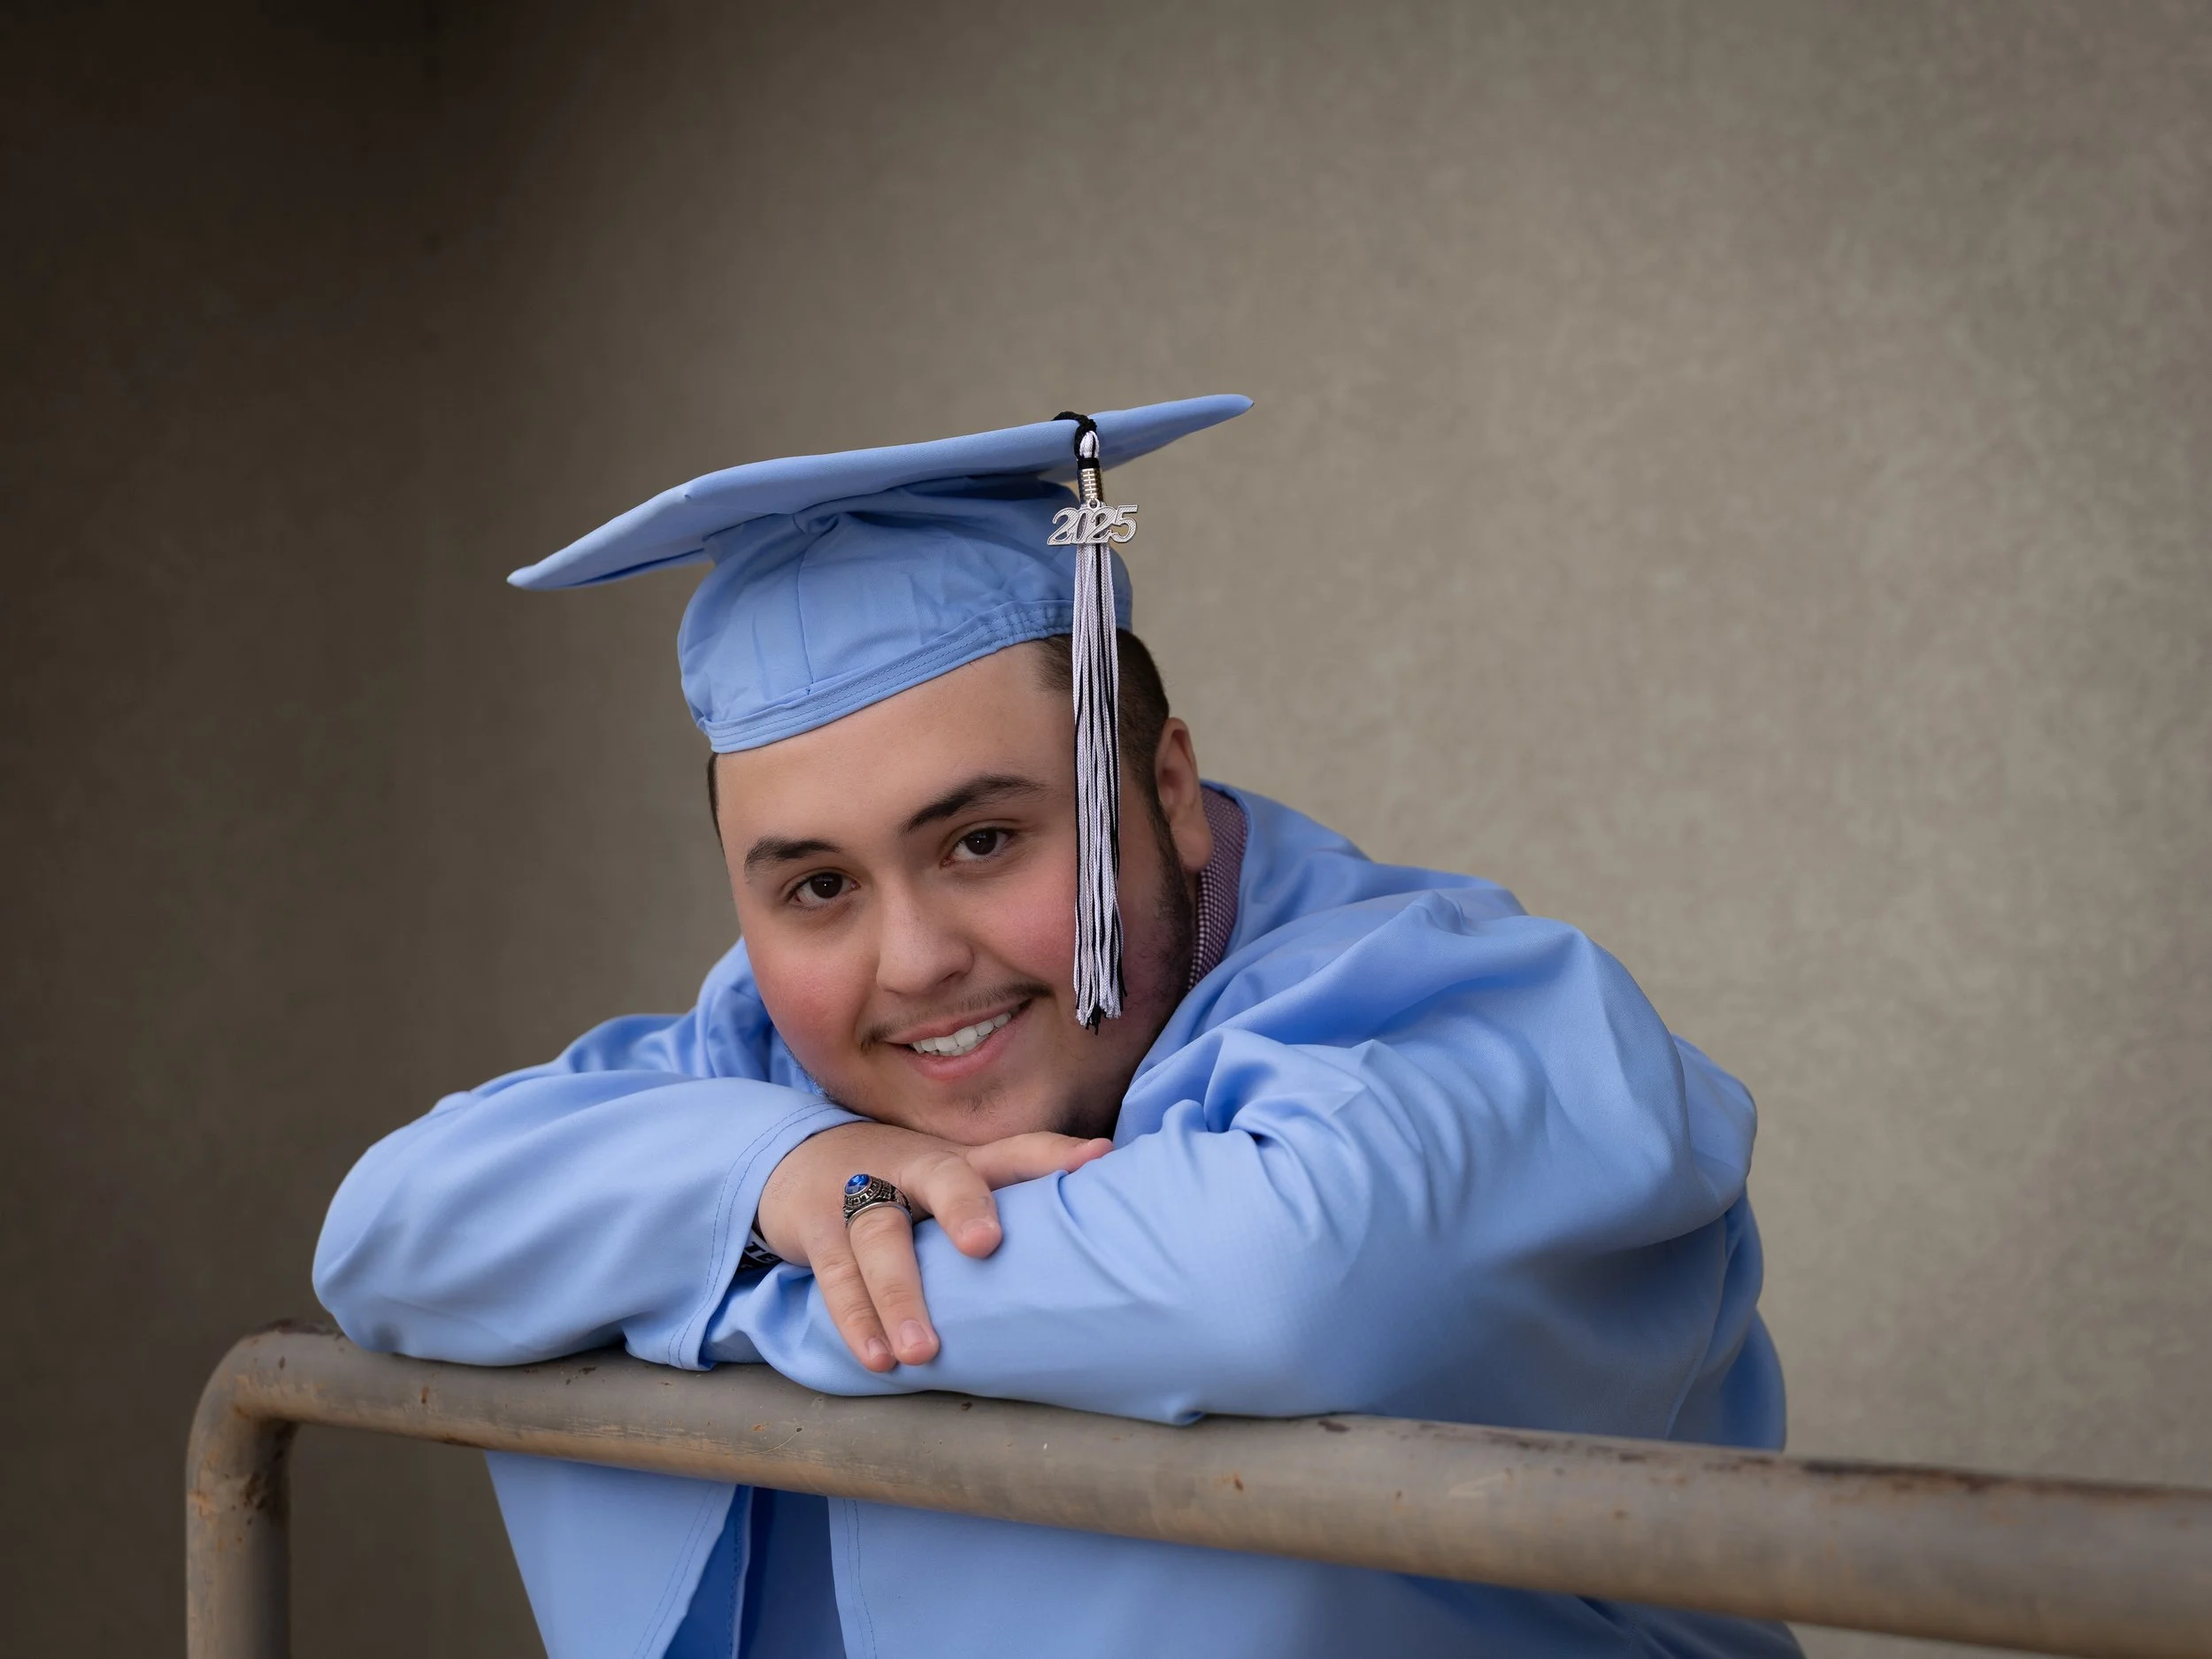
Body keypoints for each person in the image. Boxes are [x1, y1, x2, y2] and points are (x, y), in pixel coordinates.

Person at [315, 396, 1797, 1659]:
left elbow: (1268, 1282)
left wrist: (699, 1271)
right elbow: (383, 1232)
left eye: (981, 843)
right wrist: (778, 1177)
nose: (912, 963)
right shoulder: (759, 1068)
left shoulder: (1485, 1022)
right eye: (817, 885)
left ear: (1161, 790)